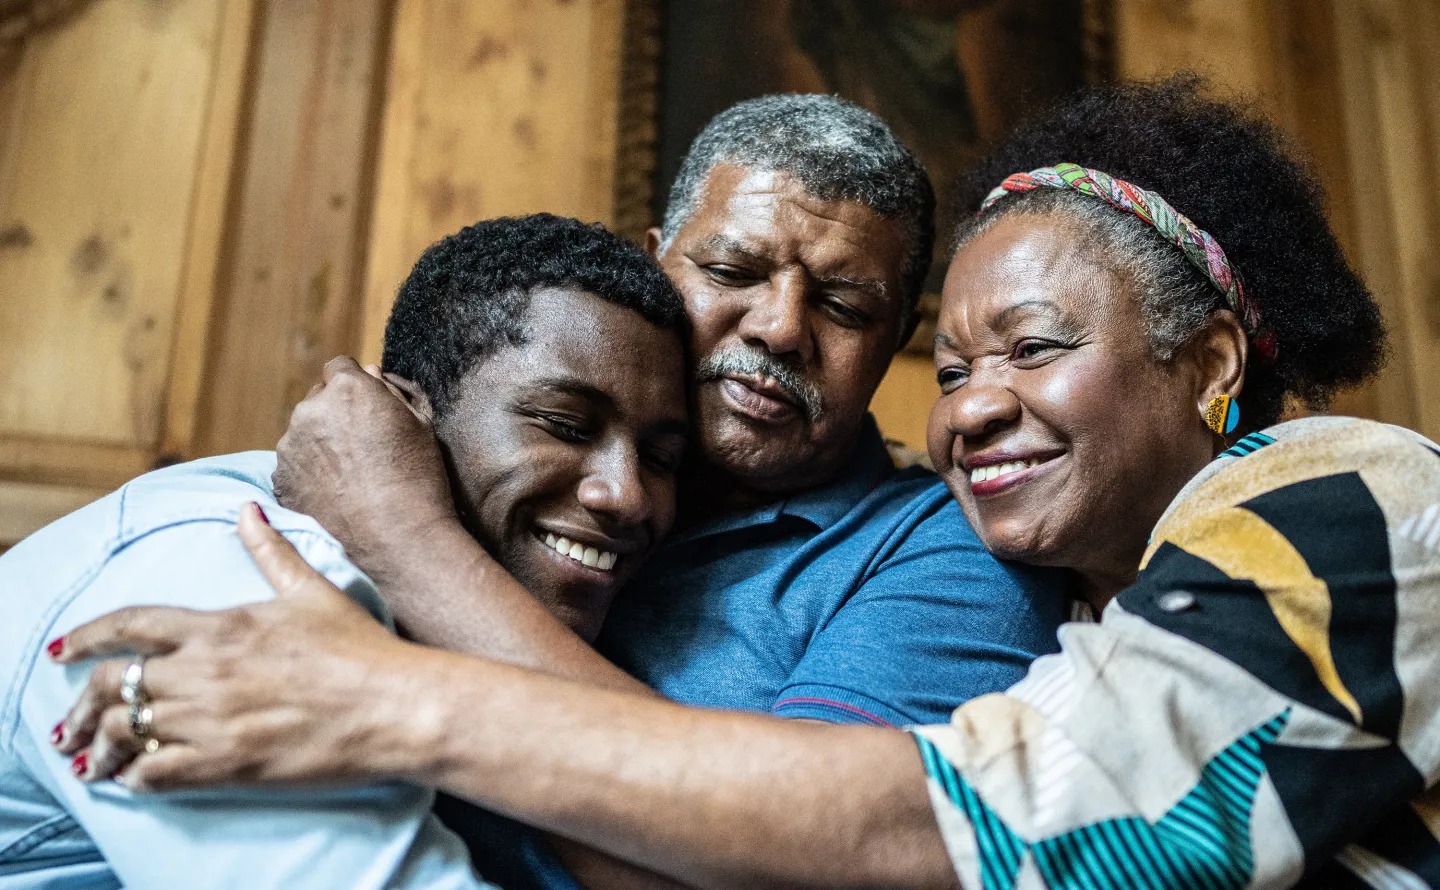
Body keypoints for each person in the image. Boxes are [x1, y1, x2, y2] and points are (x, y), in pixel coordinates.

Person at [45, 76, 1440, 888]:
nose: (976, 406)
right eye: (954, 366)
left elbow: (961, 823)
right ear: (656, 260)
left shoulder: (1345, 493)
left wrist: (389, 658)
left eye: (1035, 347)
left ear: (1203, 362)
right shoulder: (1090, 602)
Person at [266, 95, 1068, 887]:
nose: (781, 328)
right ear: (655, 263)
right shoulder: (493, 449)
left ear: (894, 342)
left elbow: (798, 870)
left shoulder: (949, 556)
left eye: (844, 306)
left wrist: (407, 540)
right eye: (729, 271)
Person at [0, 214, 692, 887]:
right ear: (400, 413)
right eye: (564, 424)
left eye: (662, 459)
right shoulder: (230, 576)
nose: (627, 495)